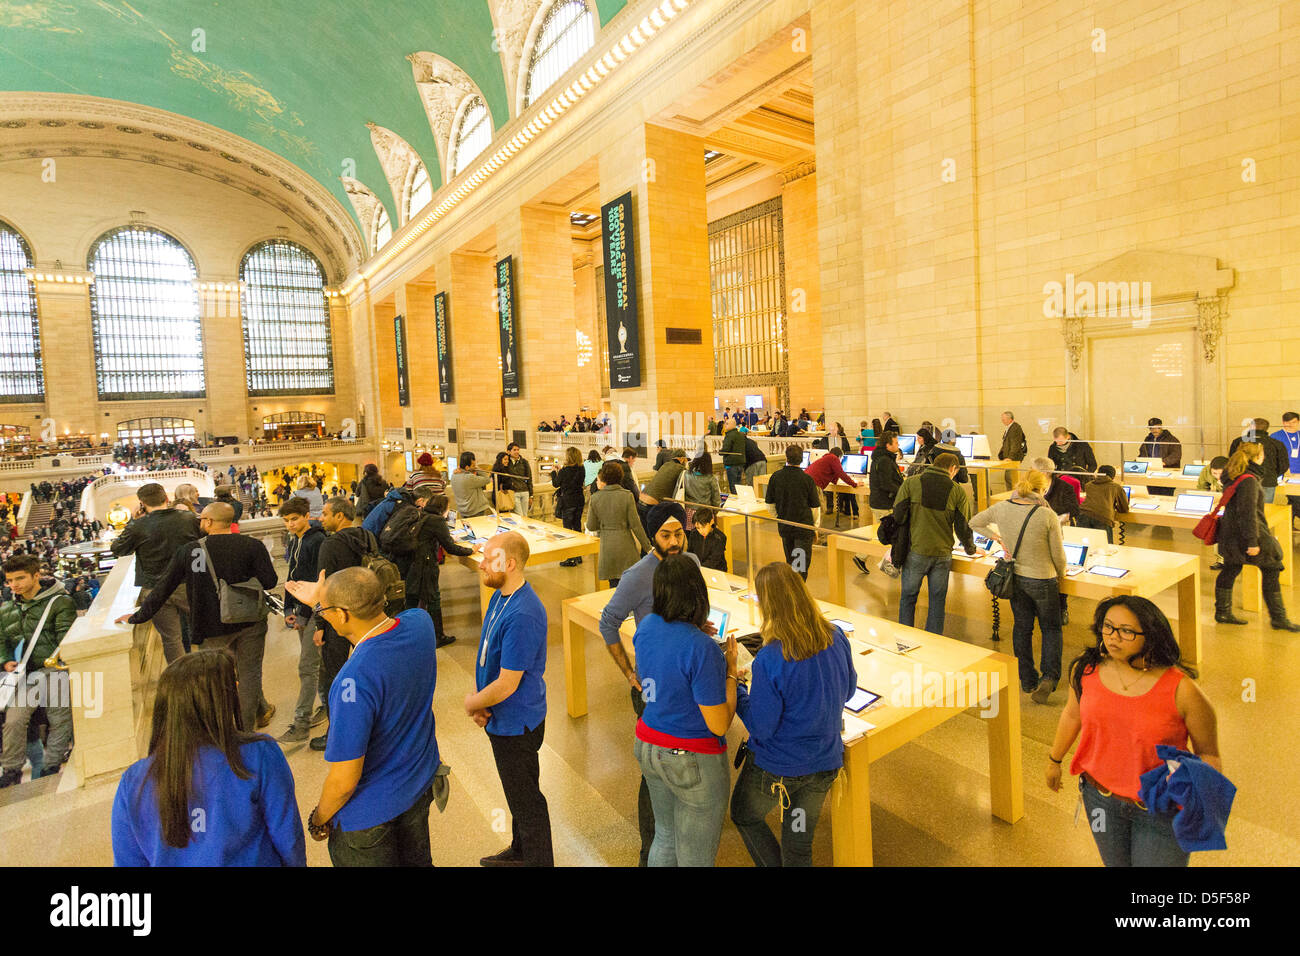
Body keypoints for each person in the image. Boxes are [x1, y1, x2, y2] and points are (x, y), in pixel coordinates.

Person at [1046, 597, 1221, 867]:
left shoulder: (1182, 689)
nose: (1114, 637)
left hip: (1159, 808)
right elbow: (1072, 714)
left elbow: (1208, 753)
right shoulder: (1086, 670)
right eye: (1108, 627)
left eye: (1126, 631)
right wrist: (1054, 760)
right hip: (1099, 798)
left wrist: (1200, 807)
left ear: (1150, 635)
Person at [289, 568, 441, 866]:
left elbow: (345, 780)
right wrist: (323, 603)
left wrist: (320, 817)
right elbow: (371, 639)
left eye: (325, 610)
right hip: (418, 784)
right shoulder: (420, 623)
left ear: (342, 615)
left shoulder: (352, 682)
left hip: (370, 817)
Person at [111, 651, 305, 865]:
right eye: (233, 683)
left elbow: (128, 861)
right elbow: (288, 838)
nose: (238, 686)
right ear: (216, 701)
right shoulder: (259, 754)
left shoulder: (134, 781)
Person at [731, 562, 855, 866]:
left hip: (777, 768)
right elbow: (849, 690)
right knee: (798, 844)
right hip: (823, 762)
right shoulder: (836, 636)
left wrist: (737, 687)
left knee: (744, 815)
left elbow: (762, 727)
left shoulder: (770, 659)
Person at [597, 502, 699, 864]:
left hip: (690, 680)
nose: (674, 542)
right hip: (653, 688)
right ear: (652, 536)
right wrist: (628, 672)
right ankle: (650, 848)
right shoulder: (637, 576)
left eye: (679, 534)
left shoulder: (691, 563)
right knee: (654, 769)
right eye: (665, 535)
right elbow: (608, 622)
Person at [119, 503, 278, 733]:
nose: (200, 523)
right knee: (250, 674)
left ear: (210, 522)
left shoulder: (192, 551)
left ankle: (218, 731)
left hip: (211, 625)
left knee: (212, 680)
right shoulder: (252, 545)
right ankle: (245, 731)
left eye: (202, 519)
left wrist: (139, 616)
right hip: (250, 620)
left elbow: (164, 587)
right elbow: (270, 581)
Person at [633, 554, 737, 866]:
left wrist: (693, 632)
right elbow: (718, 724)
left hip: (649, 746)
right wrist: (730, 671)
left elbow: (664, 667)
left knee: (665, 836)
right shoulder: (702, 649)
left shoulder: (647, 625)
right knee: (695, 857)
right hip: (691, 758)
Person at [465, 532, 553, 866]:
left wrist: (472, 703)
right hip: (500, 716)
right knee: (517, 795)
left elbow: (507, 683)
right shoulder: (502, 597)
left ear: (510, 563)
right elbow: (490, 655)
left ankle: (537, 860)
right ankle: (520, 850)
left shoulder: (523, 613)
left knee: (527, 800)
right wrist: (482, 701)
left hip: (517, 723)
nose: (482, 562)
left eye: (489, 557)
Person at [970, 470, 1066, 702]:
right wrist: (1062, 573)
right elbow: (1058, 554)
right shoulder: (1047, 514)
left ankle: (1027, 679)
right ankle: (1049, 678)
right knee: (1051, 629)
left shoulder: (1002, 507)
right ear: (1042, 490)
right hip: (1043, 578)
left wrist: (998, 538)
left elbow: (974, 522)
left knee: (1022, 628)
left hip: (1016, 578)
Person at [0, 555, 77, 786]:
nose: (15, 584)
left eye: (20, 578)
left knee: (59, 718)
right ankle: (11, 770)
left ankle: (51, 766)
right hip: (24, 674)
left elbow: (66, 639)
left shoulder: (60, 602)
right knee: (13, 720)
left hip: (53, 669)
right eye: (10, 580)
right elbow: (2, 642)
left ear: (36, 576)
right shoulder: (6, 609)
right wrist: (5, 662)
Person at [1212, 443, 1300, 630]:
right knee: (1272, 568)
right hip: (1247, 535)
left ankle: (1222, 611)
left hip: (1231, 534)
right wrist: (1252, 542)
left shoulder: (1233, 475)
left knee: (1230, 569)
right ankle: (1278, 618)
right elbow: (1248, 513)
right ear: (1257, 458)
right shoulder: (1249, 480)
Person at [110, 482, 200, 663]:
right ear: (166, 499)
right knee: (204, 630)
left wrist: (134, 521)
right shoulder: (189, 518)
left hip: (156, 589)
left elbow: (119, 549)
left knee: (171, 640)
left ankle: (181, 681)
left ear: (142, 503)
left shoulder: (138, 526)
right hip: (189, 583)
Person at [893, 452, 975, 635]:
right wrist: (970, 548)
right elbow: (963, 526)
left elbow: (898, 514)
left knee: (908, 597)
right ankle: (934, 642)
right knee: (937, 601)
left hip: (916, 551)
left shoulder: (911, 483)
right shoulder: (957, 491)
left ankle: (904, 638)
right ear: (953, 469)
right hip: (942, 554)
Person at [277, 497, 327, 743]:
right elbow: (292, 574)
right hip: (301, 608)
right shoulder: (294, 539)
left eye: (294, 519)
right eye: (286, 521)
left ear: (307, 515)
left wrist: (304, 617)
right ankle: (328, 706)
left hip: (314, 611)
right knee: (317, 663)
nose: (290, 524)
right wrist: (288, 606)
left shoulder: (317, 540)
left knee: (307, 666)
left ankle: (301, 722)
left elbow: (316, 582)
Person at [406, 494, 477, 647]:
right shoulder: (437, 521)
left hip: (414, 562)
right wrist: (471, 550)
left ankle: (408, 634)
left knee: (414, 598)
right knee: (433, 597)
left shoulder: (423, 515)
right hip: (426, 564)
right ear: (442, 508)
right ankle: (438, 636)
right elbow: (450, 548)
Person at [587, 461, 652, 587]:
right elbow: (636, 525)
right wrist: (647, 546)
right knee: (630, 585)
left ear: (604, 478)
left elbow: (591, 526)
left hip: (607, 548)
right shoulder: (627, 496)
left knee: (613, 587)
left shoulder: (595, 498)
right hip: (626, 546)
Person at [765, 445, 821, 581]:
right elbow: (814, 507)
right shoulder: (807, 479)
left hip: (785, 527)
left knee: (790, 563)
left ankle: (792, 591)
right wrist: (814, 527)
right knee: (800, 567)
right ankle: (799, 593)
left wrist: (779, 517)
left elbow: (769, 505)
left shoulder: (775, 477)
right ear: (802, 460)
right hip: (803, 528)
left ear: (786, 458)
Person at [1229, 418, 1288, 504]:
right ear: (1266, 428)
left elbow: (1232, 461)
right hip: (1268, 481)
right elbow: (1284, 465)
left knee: (1245, 509)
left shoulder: (1238, 442)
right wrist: (1273, 474)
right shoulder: (1277, 444)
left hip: (1243, 481)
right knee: (1265, 510)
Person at [551, 447, 588, 566]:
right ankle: (578, 555)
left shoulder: (564, 471)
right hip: (579, 500)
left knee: (567, 530)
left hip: (568, 501)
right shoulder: (582, 469)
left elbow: (556, 483)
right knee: (577, 528)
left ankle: (570, 558)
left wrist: (553, 472)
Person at [806, 448, 859, 530]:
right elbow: (841, 473)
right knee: (819, 512)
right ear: (839, 456)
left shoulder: (826, 458)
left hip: (807, 483)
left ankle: (810, 532)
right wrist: (854, 484)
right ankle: (817, 535)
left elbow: (834, 479)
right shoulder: (833, 458)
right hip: (814, 485)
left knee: (810, 511)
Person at [1077, 464, 1129, 544]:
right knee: (1104, 547)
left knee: (1083, 544)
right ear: (1113, 476)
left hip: (1083, 514)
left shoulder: (1089, 485)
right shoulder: (1116, 487)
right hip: (1103, 517)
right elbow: (1124, 508)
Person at [1270, 412, 1300, 524]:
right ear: (1283, 423)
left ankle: (1287, 525)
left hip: (1299, 474)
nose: (1291, 425)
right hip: (1286, 475)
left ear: (1298, 422)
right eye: (1288, 422)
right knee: (1295, 499)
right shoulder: (1275, 437)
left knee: (1293, 501)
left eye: (1294, 422)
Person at [682, 452, 721, 529]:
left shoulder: (686, 474)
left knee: (691, 537)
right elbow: (716, 499)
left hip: (689, 512)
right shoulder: (711, 478)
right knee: (705, 537)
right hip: (705, 514)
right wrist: (715, 512)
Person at [450, 452, 493, 517]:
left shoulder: (453, 476)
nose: (474, 467)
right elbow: (487, 479)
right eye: (473, 465)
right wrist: (478, 468)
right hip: (475, 511)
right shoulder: (470, 477)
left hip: (462, 510)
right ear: (467, 467)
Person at [685, 506, 727, 572]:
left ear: (711, 521)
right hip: (698, 569)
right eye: (698, 528)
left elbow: (714, 560)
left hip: (716, 570)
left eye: (703, 527)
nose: (701, 531)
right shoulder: (694, 533)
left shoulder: (719, 537)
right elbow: (690, 552)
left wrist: (699, 569)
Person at [997, 411, 1028, 491]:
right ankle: (1011, 494)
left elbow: (1015, 444)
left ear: (1010, 419)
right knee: (1008, 478)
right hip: (1009, 457)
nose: (1002, 421)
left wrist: (1011, 457)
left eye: (1004, 419)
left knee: (1010, 478)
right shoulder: (1010, 427)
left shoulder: (1015, 428)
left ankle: (1012, 495)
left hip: (1013, 459)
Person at [505, 442, 533, 516]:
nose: (517, 452)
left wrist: (531, 495)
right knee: (519, 515)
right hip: (514, 492)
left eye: (518, 450)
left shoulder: (524, 462)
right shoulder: (506, 462)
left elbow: (529, 478)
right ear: (508, 451)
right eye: (514, 450)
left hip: (525, 491)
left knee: (525, 515)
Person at [720, 419, 746, 493]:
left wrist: (720, 452)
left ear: (732, 425)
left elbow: (726, 449)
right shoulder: (741, 435)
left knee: (733, 487)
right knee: (739, 486)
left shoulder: (729, 435)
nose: (725, 425)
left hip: (731, 464)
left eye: (727, 424)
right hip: (740, 463)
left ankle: (735, 503)